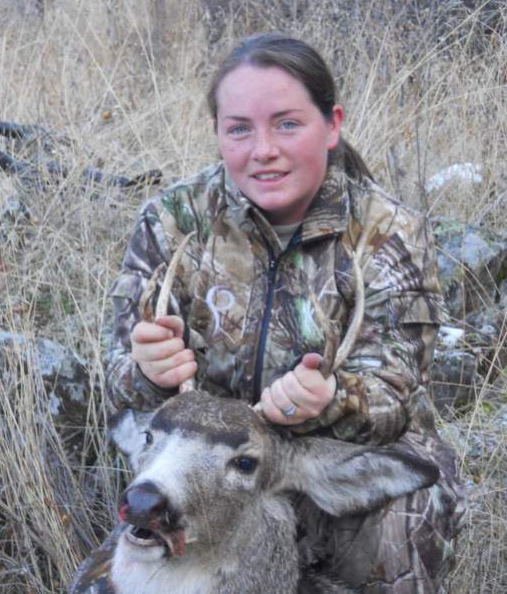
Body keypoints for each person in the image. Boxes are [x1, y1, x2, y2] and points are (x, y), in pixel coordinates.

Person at [103, 32, 464, 593]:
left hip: (328, 452)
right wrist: (144, 370)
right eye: (239, 128)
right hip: (204, 462)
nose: (263, 149)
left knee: (405, 517)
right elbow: (121, 379)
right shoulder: (173, 220)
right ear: (219, 132)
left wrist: (337, 397)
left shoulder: (389, 232)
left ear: (332, 125)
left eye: (287, 124)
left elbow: (398, 389)